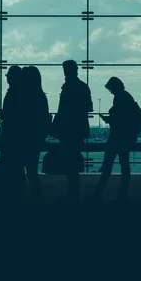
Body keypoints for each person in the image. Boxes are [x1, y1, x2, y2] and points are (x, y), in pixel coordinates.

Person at [88, 77, 141, 202]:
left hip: (118, 136)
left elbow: (119, 118)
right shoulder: (126, 96)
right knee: (124, 164)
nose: (110, 91)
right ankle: (122, 193)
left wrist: (108, 119)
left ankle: (99, 192)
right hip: (126, 136)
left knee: (108, 164)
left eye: (110, 89)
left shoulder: (120, 97)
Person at [51, 60, 93, 203]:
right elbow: (88, 107)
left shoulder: (68, 87)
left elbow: (62, 110)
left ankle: (72, 193)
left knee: (70, 162)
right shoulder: (82, 87)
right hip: (77, 129)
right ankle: (73, 193)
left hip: (68, 130)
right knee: (73, 161)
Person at [20, 66, 51, 202]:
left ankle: (31, 194)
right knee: (32, 168)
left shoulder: (25, 97)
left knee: (26, 168)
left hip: (26, 137)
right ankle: (35, 194)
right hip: (35, 137)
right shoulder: (40, 97)